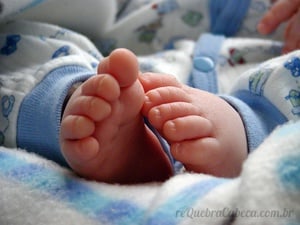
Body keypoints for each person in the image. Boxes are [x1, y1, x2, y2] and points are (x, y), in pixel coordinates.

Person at [0, 0, 299, 184]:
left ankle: (243, 134)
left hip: (255, 80)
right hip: (122, 56)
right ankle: (79, 106)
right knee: (26, 42)